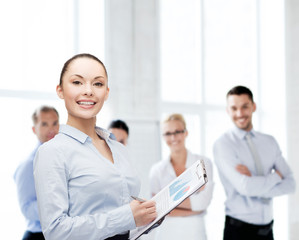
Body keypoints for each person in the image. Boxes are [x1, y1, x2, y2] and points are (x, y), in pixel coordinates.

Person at [33, 53, 157, 240]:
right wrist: (126, 218)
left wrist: (146, 217)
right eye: (77, 82)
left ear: (106, 92)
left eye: (97, 84)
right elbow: (56, 231)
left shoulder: (119, 149)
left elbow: (125, 219)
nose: (88, 91)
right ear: (60, 90)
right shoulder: (52, 152)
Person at [213, 85, 296, 240]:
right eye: (234, 108)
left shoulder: (269, 142)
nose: (240, 114)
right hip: (239, 231)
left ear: (254, 107)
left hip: (267, 230)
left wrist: (255, 184)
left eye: (245, 107)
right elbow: (246, 187)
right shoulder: (223, 144)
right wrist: (276, 177)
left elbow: (291, 184)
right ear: (227, 111)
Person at [149, 113, 214, 240]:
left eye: (177, 131)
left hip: (195, 232)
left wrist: (168, 202)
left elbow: (202, 203)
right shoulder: (157, 170)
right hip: (167, 233)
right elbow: (157, 208)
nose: (173, 137)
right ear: (163, 136)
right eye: (168, 133)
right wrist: (193, 208)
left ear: (186, 133)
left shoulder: (203, 163)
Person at [14, 105, 59, 240]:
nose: (51, 129)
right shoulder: (28, 165)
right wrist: (60, 207)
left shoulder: (63, 159)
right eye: (44, 124)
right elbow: (27, 209)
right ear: (34, 129)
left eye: (55, 123)